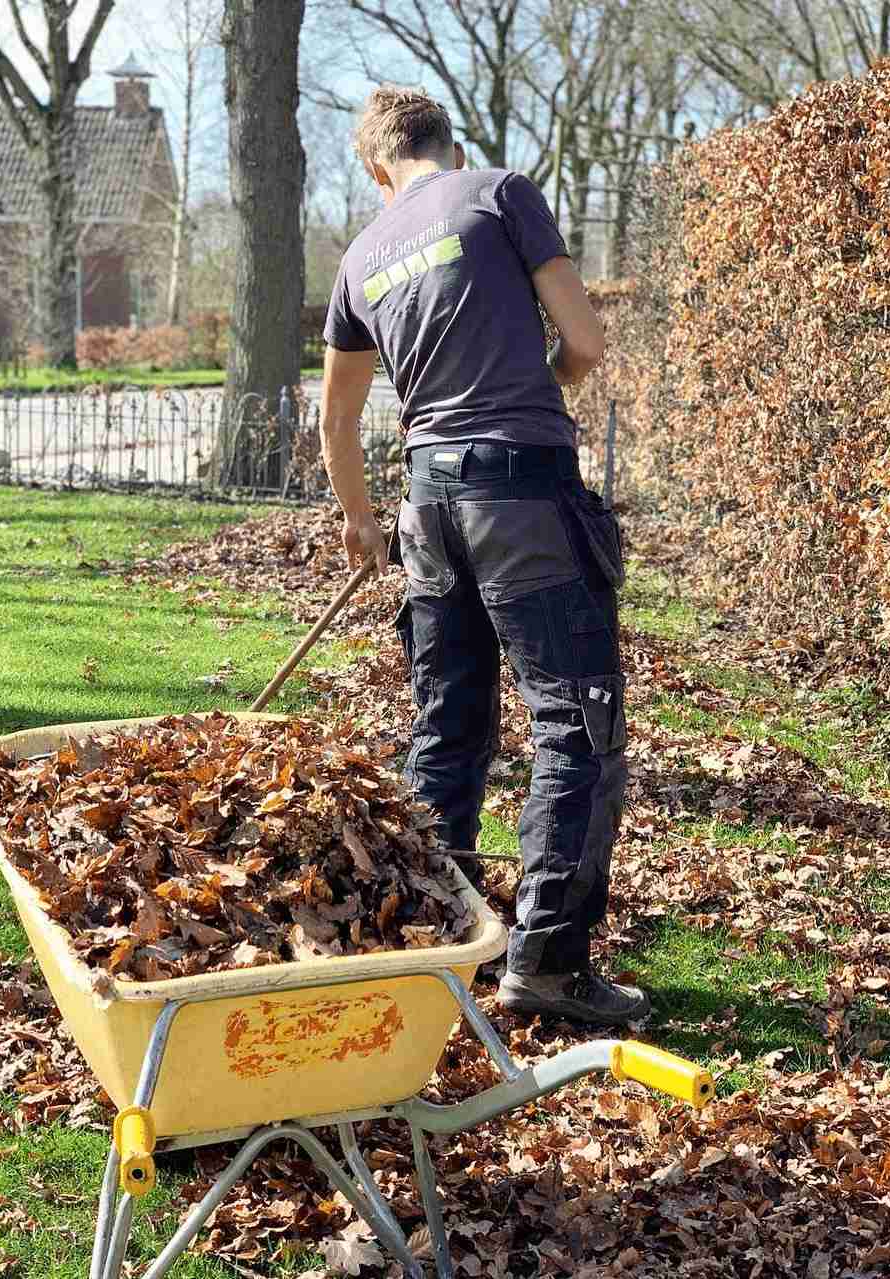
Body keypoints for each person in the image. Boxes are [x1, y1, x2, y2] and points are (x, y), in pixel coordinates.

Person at [319, 85, 647, 1024]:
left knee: (449, 724)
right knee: (575, 720)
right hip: (521, 493)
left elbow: (337, 418)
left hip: (427, 504)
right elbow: (585, 341)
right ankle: (545, 962)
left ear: (378, 165)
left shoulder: (361, 256)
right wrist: (542, 388)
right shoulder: (497, 194)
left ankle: (432, 945)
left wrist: (360, 520)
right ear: (443, 143)